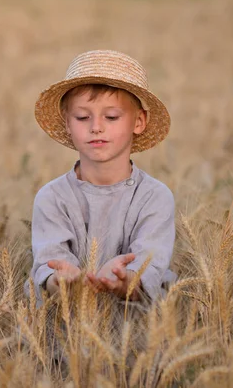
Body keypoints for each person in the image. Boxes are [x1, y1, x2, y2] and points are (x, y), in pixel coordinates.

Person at [29, 50, 176, 305]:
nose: (96, 126)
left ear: (139, 121)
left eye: (111, 117)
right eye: (83, 117)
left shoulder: (155, 197)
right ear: (67, 123)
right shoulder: (52, 197)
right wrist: (63, 281)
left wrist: (125, 281)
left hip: (137, 335)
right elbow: (49, 266)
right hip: (66, 334)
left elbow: (150, 269)